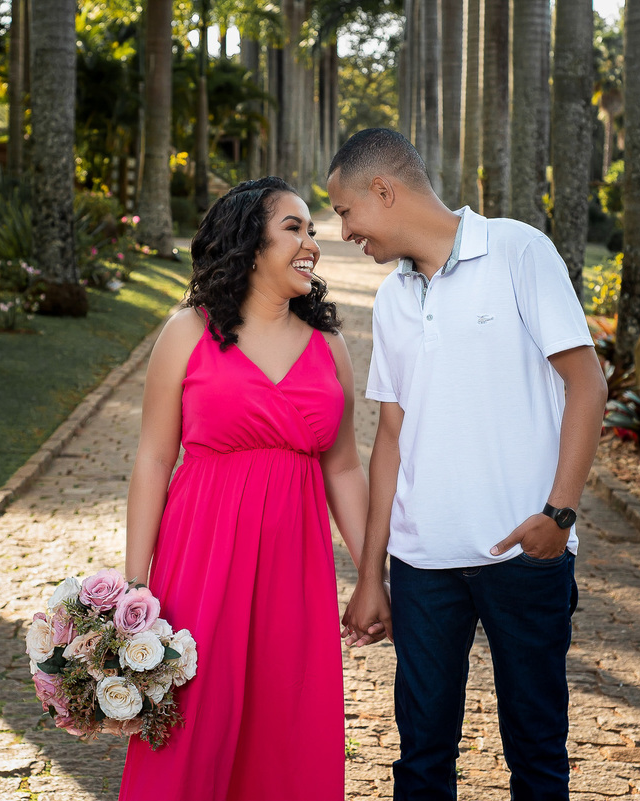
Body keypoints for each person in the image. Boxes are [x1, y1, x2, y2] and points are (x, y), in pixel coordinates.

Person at [330, 129, 608, 801]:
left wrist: (558, 514)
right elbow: (390, 436)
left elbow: (588, 383)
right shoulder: (394, 295)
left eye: (344, 211)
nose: (342, 231)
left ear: (385, 191)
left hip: (525, 556)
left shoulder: (518, 250)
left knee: (536, 752)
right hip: (424, 567)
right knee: (421, 758)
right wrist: (373, 573)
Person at [118, 176, 369, 801]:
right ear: (250, 243)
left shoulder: (330, 347)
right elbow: (153, 458)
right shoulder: (186, 332)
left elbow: (342, 469)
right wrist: (135, 588)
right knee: (193, 725)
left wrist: (373, 577)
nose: (312, 242)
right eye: (295, 227)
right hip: (200, 561)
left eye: (313, 229)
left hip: (295, 573)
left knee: (286, 726)